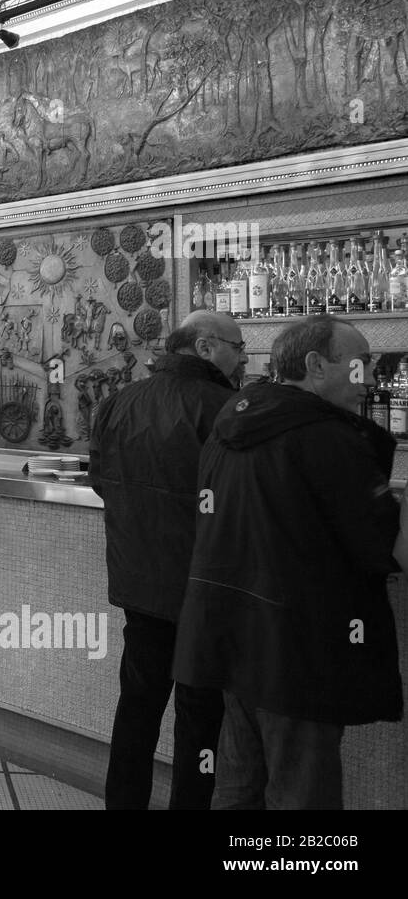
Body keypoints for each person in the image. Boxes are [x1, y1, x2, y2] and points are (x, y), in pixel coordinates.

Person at [173, 315, 404, 809]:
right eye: (361, 367)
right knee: (302, 791)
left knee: (239, 781)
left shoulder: (233, 419)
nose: (369, 382)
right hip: (302, 649)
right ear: (316, 365)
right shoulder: (332, 439)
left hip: (232, 636)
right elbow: (390, 547)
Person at [88, 310, 247, 809]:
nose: (242, 357)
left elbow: (101, 481)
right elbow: (241, 503)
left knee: (137, 704)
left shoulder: (117, 402)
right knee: (199, 717)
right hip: (204, 589)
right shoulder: (228, 408)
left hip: (138, 583)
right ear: (204, 347)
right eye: (236, 346)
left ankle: (124, 802)